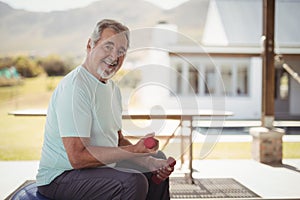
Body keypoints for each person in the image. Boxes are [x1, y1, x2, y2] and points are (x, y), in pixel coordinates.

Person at [36, 19, 175, 200]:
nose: (114, 56)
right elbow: (77, 157)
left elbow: (117, 141)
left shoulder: (112, 89)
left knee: (156, 160)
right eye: (108, 46)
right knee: (133, 182)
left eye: (121, 51)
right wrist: (134, 150)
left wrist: (148, 161)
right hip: (60, 178)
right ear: (90, 45)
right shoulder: (76, 87)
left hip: (98, 170)